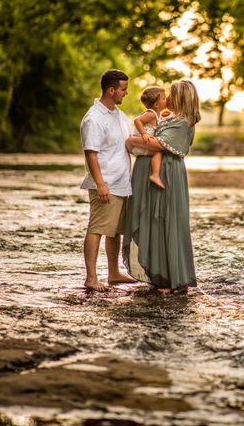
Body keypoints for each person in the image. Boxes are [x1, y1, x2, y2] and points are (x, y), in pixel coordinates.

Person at [122, 79, 201, 294]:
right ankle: (160, 275)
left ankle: (170, 277)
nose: (166, 99)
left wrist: (131, 141)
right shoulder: (172, 118)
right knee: (153, 221)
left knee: (164, 221)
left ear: (180, 98)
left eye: (171, 95)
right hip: (157, 173)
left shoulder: (184, 122)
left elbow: (158, 143)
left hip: (167, 175)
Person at [80, 69, 134, 291]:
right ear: (111, 90)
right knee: (97, 228)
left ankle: (113, 273)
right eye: (123, 89)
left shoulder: (119, 115)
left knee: (115, 230)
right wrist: (100, 184)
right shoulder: (94, 118)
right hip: (105, 184)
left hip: (122, 183)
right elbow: (90, 153)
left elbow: (129, 144)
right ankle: (91, 278)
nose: (125, 94)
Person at [131, 86, 167, 189]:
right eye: (164, 98)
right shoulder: (151, 114)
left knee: (159, 151)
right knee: (159, 151)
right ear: (156, 104)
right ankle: (155, 175)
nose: (166, 99)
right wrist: (144, 133)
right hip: (139, 144)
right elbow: (137, 120)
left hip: (141, 144)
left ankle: (155, 174)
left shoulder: (156, 114)